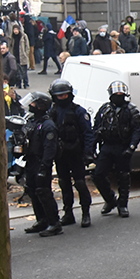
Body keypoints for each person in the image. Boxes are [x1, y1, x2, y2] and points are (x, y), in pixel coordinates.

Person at [91, 80, 140, 218]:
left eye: (121, 94)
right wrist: (91, 148)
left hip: (122, 146)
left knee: (123, 176)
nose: (118, 96)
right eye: (116, 94)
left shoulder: (131, 110)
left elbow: (138, 130)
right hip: (107, 146)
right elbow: (96, 128)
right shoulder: (104, 109)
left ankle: (123, 205)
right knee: (98, 175)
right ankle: (110, 200)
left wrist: (131, 147)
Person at [48, 79, 95, 228]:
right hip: (61, 155)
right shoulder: (53, 112)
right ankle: (68, 213)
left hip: (76, 153)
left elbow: (88, 133)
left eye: (64, 95)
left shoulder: (78, 111)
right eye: (59, 96)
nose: (62, 98)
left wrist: (88, 153)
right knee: (64, 184)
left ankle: (86, 212)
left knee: (80, 183)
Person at [22, 92, 62, 237]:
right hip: (31, 161)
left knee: (43, 192)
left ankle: (54, 223)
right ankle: (42, 220)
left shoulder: (48, 125)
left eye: (33, 104)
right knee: (32, 191)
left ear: (41, 106)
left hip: (41, 162)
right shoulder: (33, 121)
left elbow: (49, 148)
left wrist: (45, 167)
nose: (30, 106)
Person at [10, 21, 30, 88]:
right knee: (17, 71)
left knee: (24, 71)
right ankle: (18, 84)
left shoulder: (23, 36)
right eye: (14, 30)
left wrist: (25, 54)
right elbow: (11, 46)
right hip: (15, 55)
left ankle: (26, 84)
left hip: (22, 56)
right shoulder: (12, 37)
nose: (15, 31)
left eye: (16, 29)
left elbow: (27, 46)